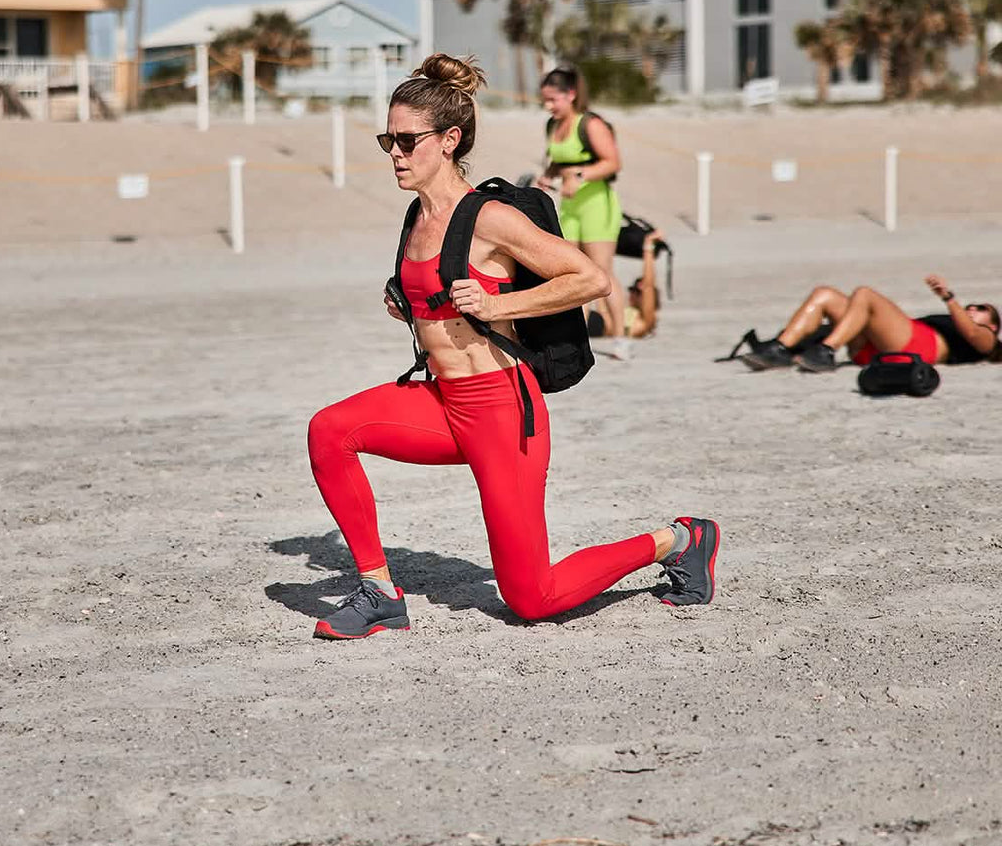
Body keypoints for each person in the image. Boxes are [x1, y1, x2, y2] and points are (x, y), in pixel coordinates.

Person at [306, 54, 720, 640]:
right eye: (386, 140)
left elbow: (589, 279)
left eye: (406, 140)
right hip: (442, 401)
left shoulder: (491, 216)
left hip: (503, 411)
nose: (394, 153)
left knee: (531, 597)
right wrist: (409, 305)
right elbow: (442, 301)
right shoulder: (415, 217)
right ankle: (379, 591)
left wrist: (499, 307)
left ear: (449, 140)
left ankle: (680, 541)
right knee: (329, 430)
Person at [536, 67, 629, 360]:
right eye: (545, 101)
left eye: (553, 100)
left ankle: (620, 338)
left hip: (596, 204)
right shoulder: (552, 125)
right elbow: (557, 160)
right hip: (569, 205)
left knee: (601, 272)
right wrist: (547, 176)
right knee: (571, 272)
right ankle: (577, 338)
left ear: (571, 95)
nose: (549, 106)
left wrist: (579, 175)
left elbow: (613, 162)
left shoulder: (590, 124)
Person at [743, 274, 1001, 372]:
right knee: (825, 295)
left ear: (993, 327)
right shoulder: (957, 319)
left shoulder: (986, 339)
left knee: (865, 294)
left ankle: (826, 350)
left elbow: (971, 334)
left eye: (981, 309)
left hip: (916, 347)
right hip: (877, 348)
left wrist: (949, 298)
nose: (972, 308)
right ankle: (779, 349)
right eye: (972, 305)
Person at [625, 229, 664, 339]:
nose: (632, 294)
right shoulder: (622, 312)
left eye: (638, 292)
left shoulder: (645, 323)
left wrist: (648, 245)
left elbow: (648, 286)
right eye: (632, 290)